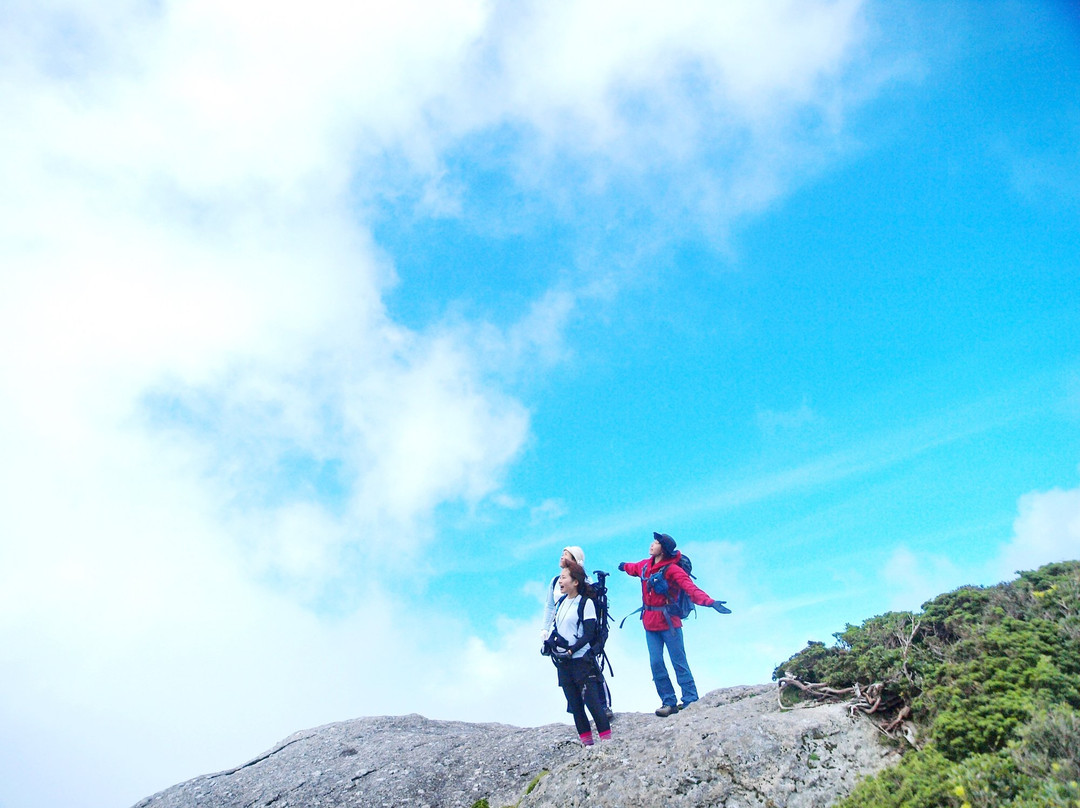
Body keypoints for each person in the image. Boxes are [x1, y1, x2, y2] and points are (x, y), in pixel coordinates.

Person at [618, 532, 731, 717]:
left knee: (679, 662)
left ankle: (690, 700)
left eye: (656, 542)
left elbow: (690, 589)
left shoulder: (673, 570)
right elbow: (633, 568)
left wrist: (710, 602)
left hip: (669, 623)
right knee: (656, 664)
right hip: (650, 623)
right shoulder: (645, 565)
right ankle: (668, 702)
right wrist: (623, 567)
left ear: (663, 548)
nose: (652, 544)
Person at [542, 559, 612, 746]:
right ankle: (587, 745)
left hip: (582, 661)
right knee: (575, 705)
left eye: (564, 578)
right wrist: (550, 643)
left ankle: (607, 744)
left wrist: (573, 649)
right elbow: (558, 628)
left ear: (576, 582)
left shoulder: (585, 603)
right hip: (564, 662)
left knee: (593, 704)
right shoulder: (562, 602)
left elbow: (589, 633)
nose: (560, 581)